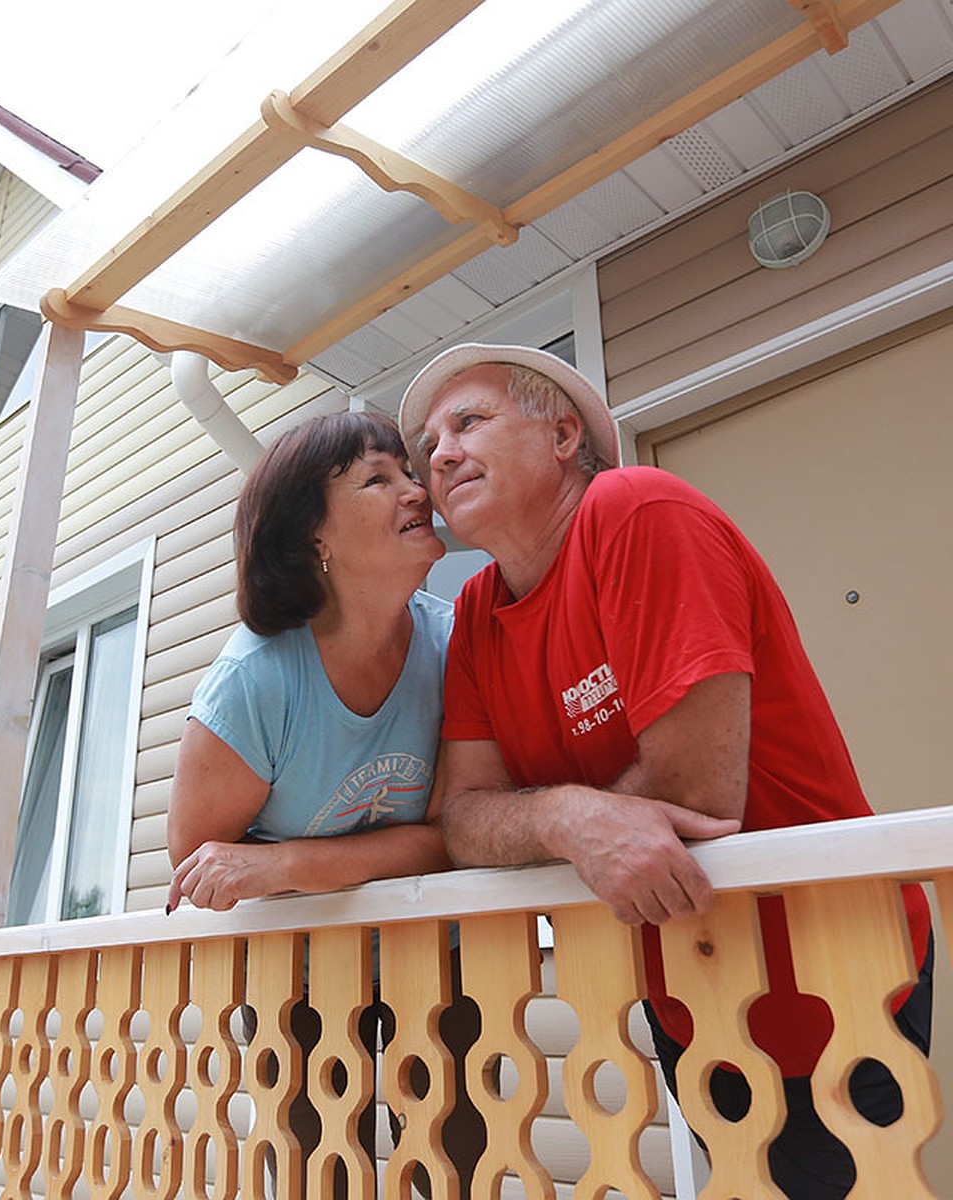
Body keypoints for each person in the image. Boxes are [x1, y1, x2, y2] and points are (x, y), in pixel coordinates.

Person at [397, 342, 932, 1200]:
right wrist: (564, 820)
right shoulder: (475, 611)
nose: (440, 455)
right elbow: (461, 820)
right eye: (429, 444)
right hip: (684, 987)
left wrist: (535, 817)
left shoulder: (635, 509)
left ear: (565, 433)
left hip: (835, 968)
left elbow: (695, 797)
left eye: (469, 422)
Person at [167, 408, 482, 1196]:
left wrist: (286, 866)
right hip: (292, 978)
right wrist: (277, 878)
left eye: (411, 472)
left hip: (430, 958)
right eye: (380, 479)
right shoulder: (257, 681)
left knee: (459, 1167)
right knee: (317, 1176)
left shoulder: (457, 646)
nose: (418, 489)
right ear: (316, 539)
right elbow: (202, 870)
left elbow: (454, 837)